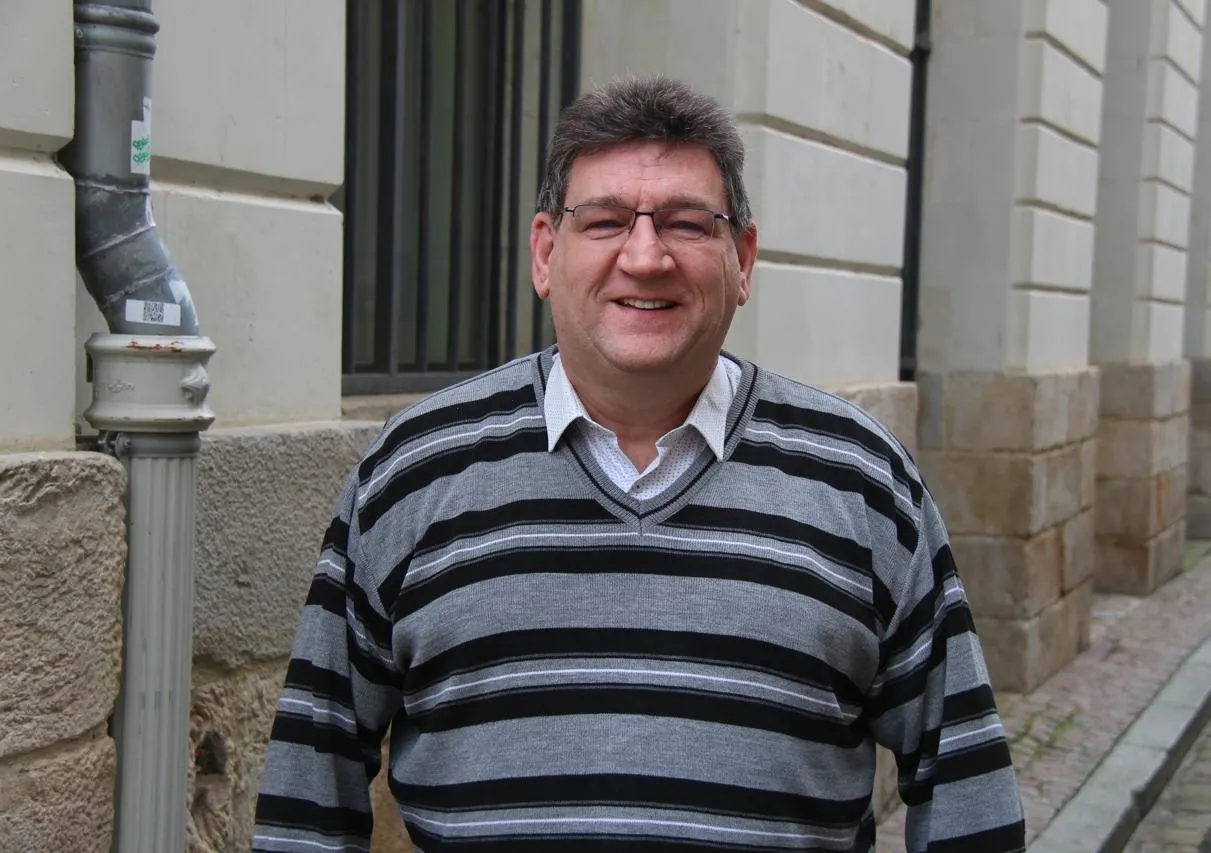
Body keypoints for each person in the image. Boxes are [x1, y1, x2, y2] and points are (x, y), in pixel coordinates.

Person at [252, 76, 1025, 852]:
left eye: (688, 224)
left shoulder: (860, 482)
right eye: (605, 221)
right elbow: (309, 792)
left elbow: (964, 782)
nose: (646, 257)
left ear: (742, 259)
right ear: (545, 253)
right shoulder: (413, 474)